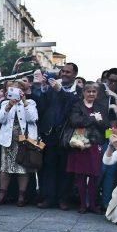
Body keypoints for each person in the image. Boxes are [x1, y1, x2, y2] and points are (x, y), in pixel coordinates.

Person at [36, 62, 81, 209]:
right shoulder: (52, 87)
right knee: (49, 167)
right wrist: (43, 89)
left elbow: (75, 105)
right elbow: (42, 108)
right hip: (50, 134)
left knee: (65, 169)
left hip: (67, 135)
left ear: (75, 74)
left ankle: (63, 199)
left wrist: (60, 91)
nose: (64, 74)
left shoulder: (79, 91)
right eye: (63, 71)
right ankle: (49, 198)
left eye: (68, 72)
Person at [65, 83, 109, 213]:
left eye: (93, 92)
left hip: (95, 144)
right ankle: (83, 204)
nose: (91, 94)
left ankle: (93, 205)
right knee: (80, 177)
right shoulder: (77, 105)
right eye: (88, 91)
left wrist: (98, 122)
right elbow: (74, 121)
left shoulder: (101, 106)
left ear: (97, 93)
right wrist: (93, 118)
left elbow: (106, 125)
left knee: (95, 176)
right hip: (80, 144)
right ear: (83, 92)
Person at [0, 81, 38, 206]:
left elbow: (33, 118)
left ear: (22, 91)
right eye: (11, 89)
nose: (14, 92)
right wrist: (8, 105)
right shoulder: (4, 103)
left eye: (17, 90)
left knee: (22, 170)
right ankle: (2, 195)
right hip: (7, 140)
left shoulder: (30, 103)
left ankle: (21, 197)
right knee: (5, 169)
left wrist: (24, 102)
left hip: (24, 141)